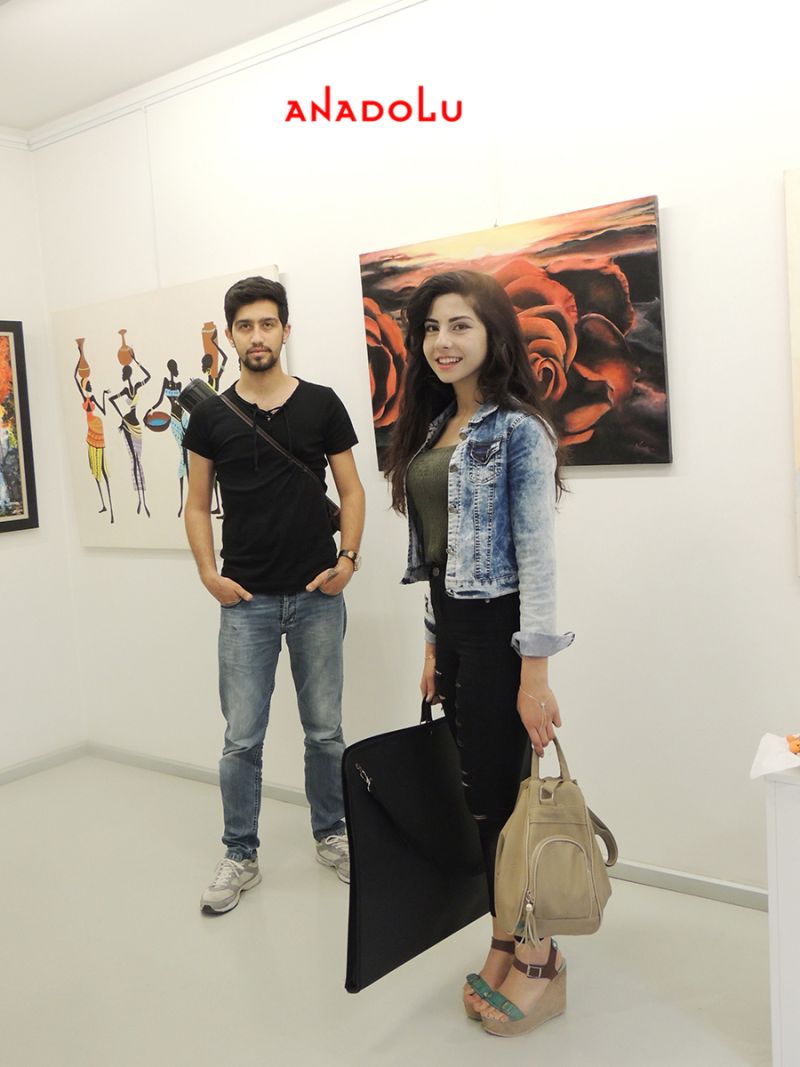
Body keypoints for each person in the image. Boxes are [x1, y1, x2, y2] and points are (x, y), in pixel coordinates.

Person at [385, 270, 574, 1037]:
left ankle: (541, 958)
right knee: (479, 802)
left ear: (493, 332)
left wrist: (535, 673)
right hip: (457, 633)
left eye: (459, 324)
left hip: (501, 635)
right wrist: (434, 644)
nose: (443, 341)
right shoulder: (435, 428)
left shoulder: (519, 430)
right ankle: (504, 936)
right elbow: (437, 555)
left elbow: (538, 559)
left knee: (506, 801)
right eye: (431, 328)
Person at [183, 276, 365, 914]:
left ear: (286, 330)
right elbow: (196, 505)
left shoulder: (322, 404)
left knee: (325, 731)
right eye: (245, 326)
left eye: (267, 324)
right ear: (231, 336)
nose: (256, 336)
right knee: (241, 737)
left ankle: (332, 834)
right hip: (246, 602)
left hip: (318, 595)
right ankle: (240, 853)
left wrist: (348, 559)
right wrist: (208, 573)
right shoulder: (210, 416)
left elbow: (352, 490)